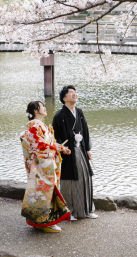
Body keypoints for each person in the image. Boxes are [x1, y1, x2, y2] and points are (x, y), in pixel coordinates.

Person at [20, 101, 71, 233]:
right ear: (36, 111)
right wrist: (55, 148)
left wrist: (60, 148)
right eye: (42, 106)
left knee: (43, 193)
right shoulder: (34, 126)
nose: (45, 108)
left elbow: (48, 144)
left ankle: (40, 220)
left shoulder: (40, 125)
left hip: (45, 163)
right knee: (44, 193)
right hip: (41, 165)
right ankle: (45, 222)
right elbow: (39, 147)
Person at [52, 85, 97, 220]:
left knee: (86, 178)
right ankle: (70, 211)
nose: (74, 94)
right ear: (64, 98)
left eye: (75, 92)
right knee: (70, 182)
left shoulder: (80, 112)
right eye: (71, 93)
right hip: (68, 153)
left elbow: (85, 131)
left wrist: (88, 148)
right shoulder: (59, 116)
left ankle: (88, 209)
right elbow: (55, 136)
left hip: (80, 150)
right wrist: (61, 148)